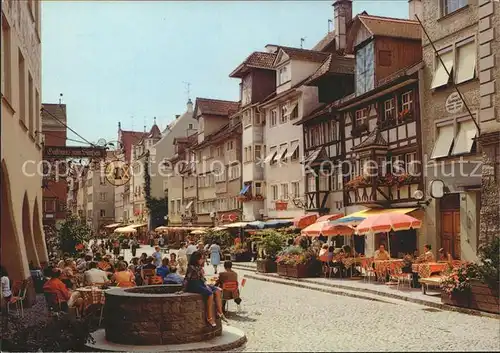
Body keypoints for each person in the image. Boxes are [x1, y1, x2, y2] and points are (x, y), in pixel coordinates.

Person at [183, 251, 227, 327]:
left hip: (201, 283)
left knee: (218, 290)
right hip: (193, 284)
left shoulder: (199, 267)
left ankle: (220, 312)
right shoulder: (191, 267)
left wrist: (207, 284)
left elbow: (202, 278)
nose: (202, 260)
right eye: (201, 259)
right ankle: (209, 317)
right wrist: (183, 289)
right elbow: (187, 278)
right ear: (196, 259)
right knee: (210, 294)